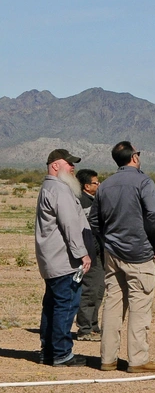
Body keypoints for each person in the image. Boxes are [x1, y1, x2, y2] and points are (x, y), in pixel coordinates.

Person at [90, 141, 155, 373]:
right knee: (139, 304)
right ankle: (138, 360)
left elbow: (93, 220)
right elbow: (153, 214)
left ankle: (108, 359)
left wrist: (108, 241)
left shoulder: (105, 185)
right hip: (139, 253)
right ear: (134, 157)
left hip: (112, 253)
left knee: (112, 304)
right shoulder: (143, 181)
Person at [35, 149, 92, 366]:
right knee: (66, 305)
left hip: (52, 259)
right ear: (55, 165)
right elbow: (70, 225)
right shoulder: (59, 189)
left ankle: (48, 351)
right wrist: (82, 254)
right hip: (64, 260)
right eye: (68, 163)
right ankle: (61, 353)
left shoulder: (49, 187)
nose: (73, 168)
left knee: (52, 305)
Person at [74, 169, 104, 342]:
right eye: (95, 182)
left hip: (100, 250)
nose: (98, 185)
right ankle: (84, 329)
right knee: (88, 291)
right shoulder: (80, 201)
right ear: (86, 186)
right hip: (88, 252)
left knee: (98, 290)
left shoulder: (96, 201)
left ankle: (93, 326)